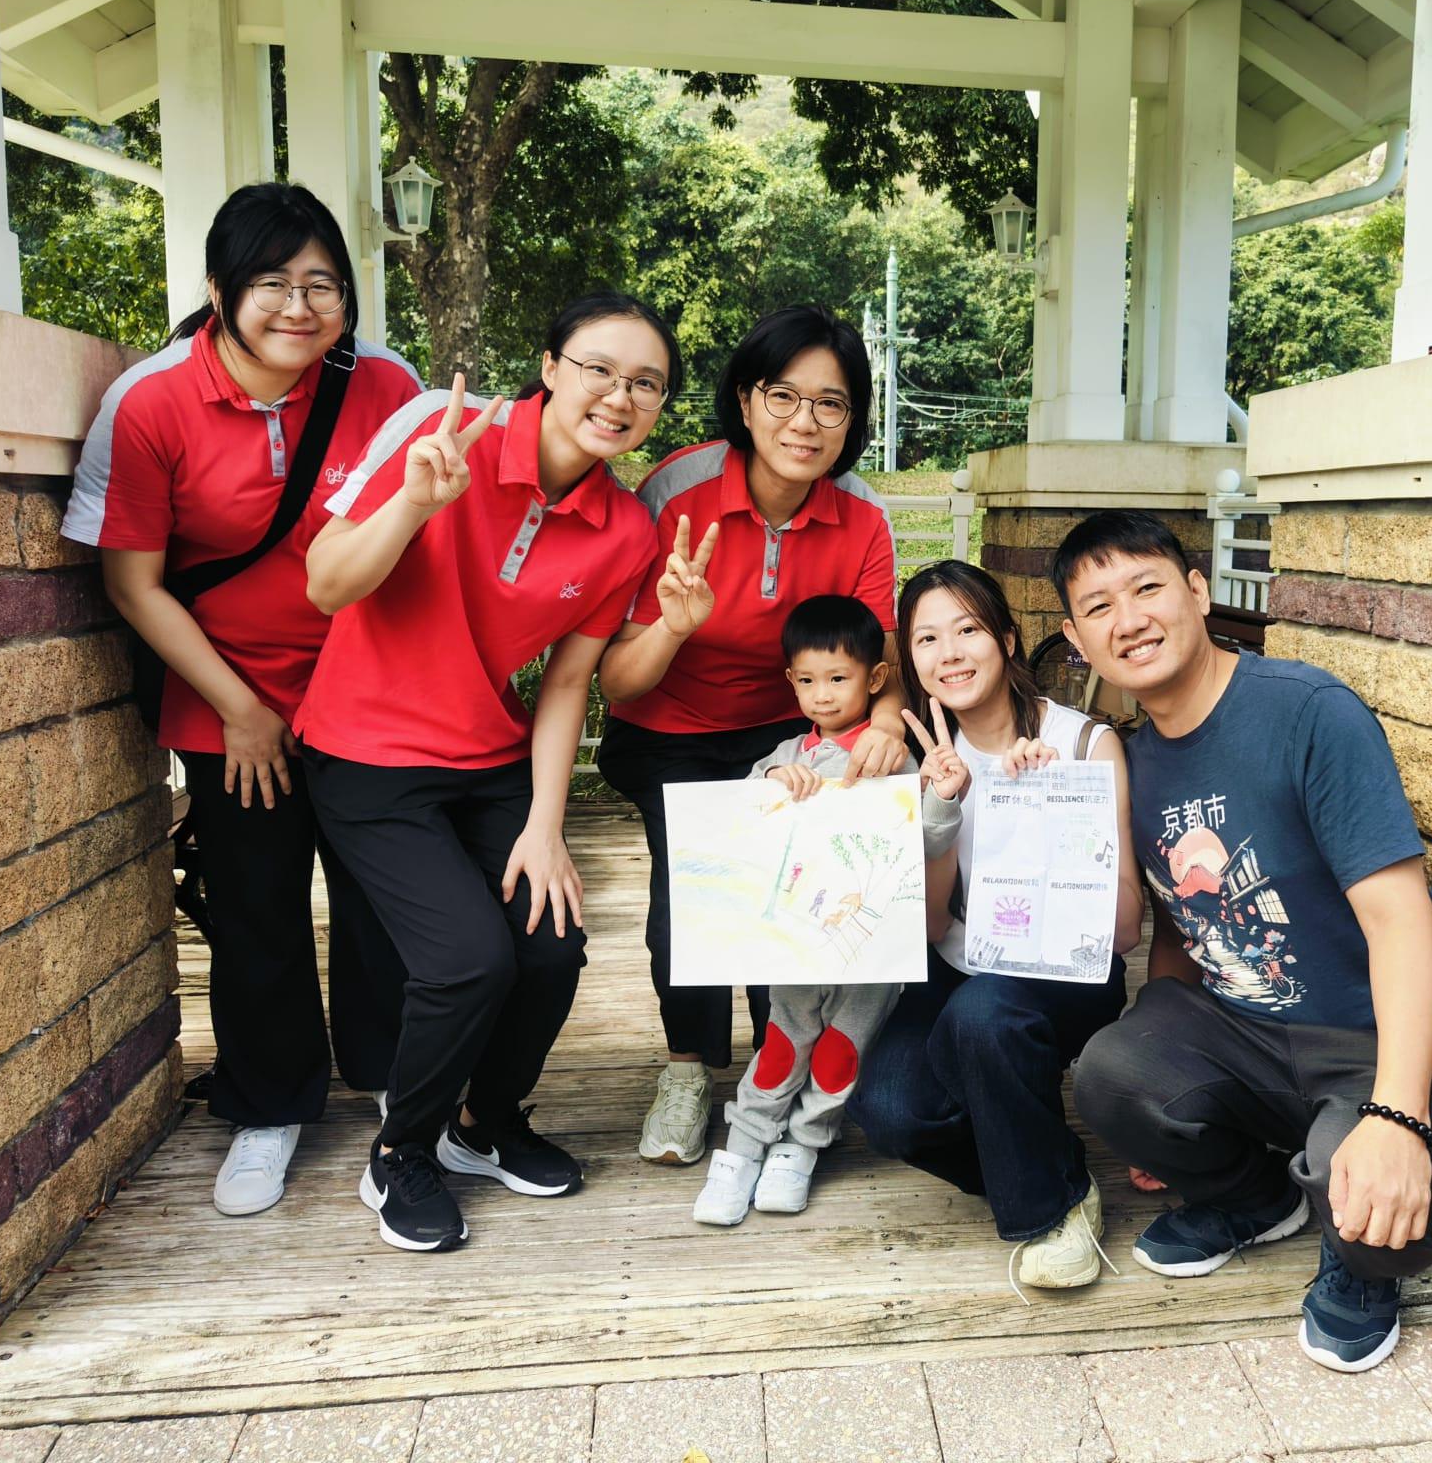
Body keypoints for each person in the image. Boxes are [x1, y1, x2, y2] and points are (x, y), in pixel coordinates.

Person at [1056, 511, 1432, 1373]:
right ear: (1078, 640)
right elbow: (1182, 932)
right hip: (1258, 1035)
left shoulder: (1307, 713)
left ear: (1198, 592)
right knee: (1111, 1075)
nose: (1130, 619)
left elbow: (1400, 921)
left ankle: (1356, 1261)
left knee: (1378, 1211)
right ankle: (1256, 1200)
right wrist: (1161, 1101)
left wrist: (1396, 1114)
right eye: (1100, 606)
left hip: (1405, 1036)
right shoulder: (1136, 763)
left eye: (1148, 587)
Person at [61, 182, 420, 1218]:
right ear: (219, 289)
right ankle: (269, 1106)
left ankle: (397, 1086)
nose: (299, 307)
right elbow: (134, 584)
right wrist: (242, 709)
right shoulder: (153, 402)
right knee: (256, 905)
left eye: (323, 284)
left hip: (365, 697)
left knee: (382, 902)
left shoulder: (386, 387)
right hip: (228, 700)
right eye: (272, 282)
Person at [298, 292, 672, 1252]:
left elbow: (568, 683)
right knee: (468, 960)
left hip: (489, 756)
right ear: (549, 367)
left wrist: (547, 826)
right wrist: (415, 504)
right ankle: (402, 1152)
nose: (619, 397)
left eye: (646, 384)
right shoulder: (442, 429)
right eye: (598, 369)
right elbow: (327, 583)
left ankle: (484, 1122)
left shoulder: (625, 529)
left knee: (550, 944)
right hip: (366, 751)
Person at [596, 305, 910, 1169]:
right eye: (783, 396)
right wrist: (674, 624)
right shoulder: (676, 492)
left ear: (853, 419)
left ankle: (786, 1065)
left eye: (831, 403)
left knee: (804, 888)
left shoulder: (863, 516)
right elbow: (617, 680)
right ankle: (688, 1071)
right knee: (695, 892)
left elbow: (880, 661)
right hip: (669, 726)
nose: (805, 422)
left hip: (793, 724)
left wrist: (885, 726)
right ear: (745, 399)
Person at [847, 561, 1142, 1292]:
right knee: (888, 1109)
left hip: (1067, 975)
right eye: (926, 639)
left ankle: (1051, 1214)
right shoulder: (918, 761)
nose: (949, 653)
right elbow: (930, 927)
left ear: (1007, 639)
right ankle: (1057, 1170)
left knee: (981, 1015)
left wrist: (1053, 808)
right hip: (959, 966)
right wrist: (941, 812)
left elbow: (1126, 931)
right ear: (910, 659)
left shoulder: (1083, 744)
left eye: (968, 630)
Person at [690, 595, 958, 1226]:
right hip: (796, 942)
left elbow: (930, 841)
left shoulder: (893, 758)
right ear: (790, 681)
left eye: (838, 678)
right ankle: (745, 1144)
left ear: (875, 677)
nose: (823, 695)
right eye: (807, 681)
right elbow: (741, 828)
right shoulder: (784, 757)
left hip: (873, 948)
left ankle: (804, 1144)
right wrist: (769, 788)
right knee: (783, 1042)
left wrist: (941, 798)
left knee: (842, 1048)